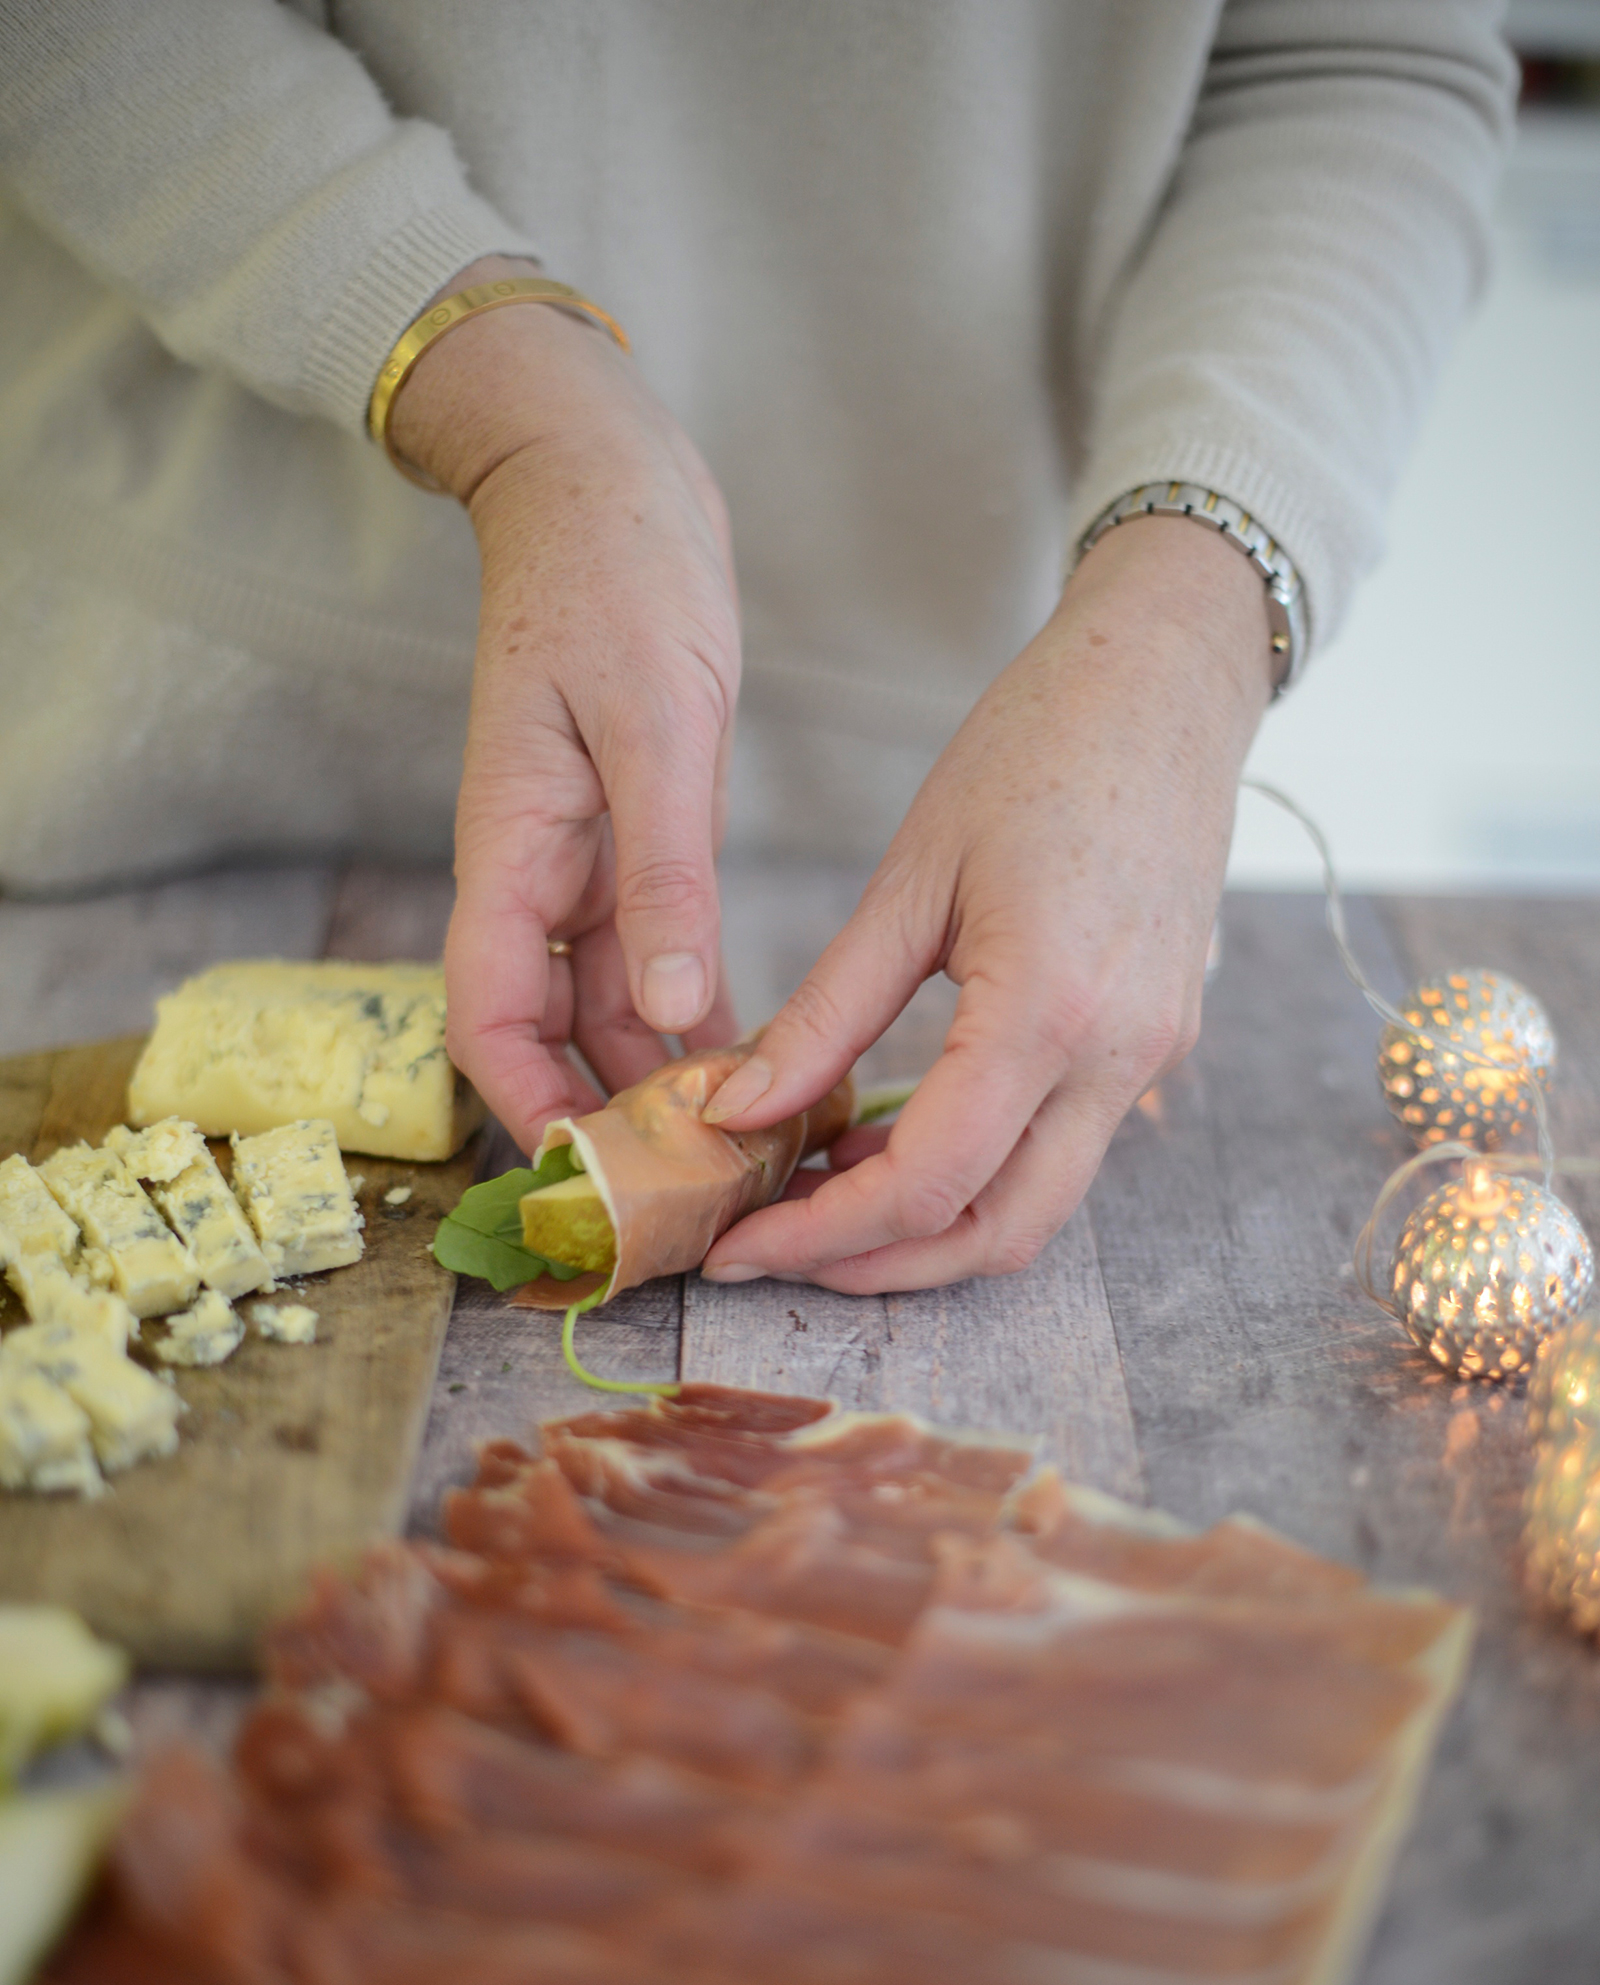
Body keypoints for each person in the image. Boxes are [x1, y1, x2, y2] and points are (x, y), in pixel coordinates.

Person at [0, 3, 1515, 1293]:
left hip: (940, 754)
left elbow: (1362, 60)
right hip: (146, 712)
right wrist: (511, 402)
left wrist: (1183, 635)